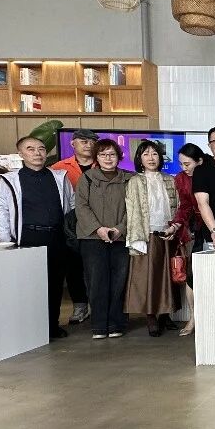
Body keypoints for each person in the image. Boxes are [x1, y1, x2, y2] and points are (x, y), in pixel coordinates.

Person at [0, 136, 75, 338]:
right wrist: (5, 242)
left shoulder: (60, 177)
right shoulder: (10, 180)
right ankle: (31, 328)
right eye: (30, 149)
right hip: (28, 237)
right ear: (21, 154)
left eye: (41, 149)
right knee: (30, 285)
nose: (37, 153)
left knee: (55, 284)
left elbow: (71, 205)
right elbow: (2, 211)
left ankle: (52, 325)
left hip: (56, 236)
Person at [125, 140, 183, 337]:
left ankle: (165, 314)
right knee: (148, 277)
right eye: (146, 154)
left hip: (168, 234)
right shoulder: (135, 181)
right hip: (146, 235)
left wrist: (175, 229)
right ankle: (150, 316)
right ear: (139, 159)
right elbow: (132, 210)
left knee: (168, 276)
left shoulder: (170, 179)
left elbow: (179, 206)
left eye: (155, 154)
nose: (151, 158)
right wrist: (136, 238)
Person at [76, 139, 132, 339]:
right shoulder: (87, 178)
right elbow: (81, 206)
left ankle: (116, 324)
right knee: (97, 281)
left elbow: (134, 208)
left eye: (112, 154)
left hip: (120, 238)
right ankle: (99, 326)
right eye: (103, 154)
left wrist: (120, 229)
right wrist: (98, 229)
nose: (108, 158)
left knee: (119, 281)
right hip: (92, 238)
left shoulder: (129, 179)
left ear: (119, 157)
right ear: (96, 158)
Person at [51, 128, 97, 325]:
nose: (88, 145)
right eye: (83, 141)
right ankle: (80, 305)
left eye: (92, 141)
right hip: (72, 224)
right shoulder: (59, 168)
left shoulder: (103, 163)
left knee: (96, 267)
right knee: (73, 266)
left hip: (99, 223)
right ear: (73, 143)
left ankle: (98, 305)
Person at [172, 143, 205, 336]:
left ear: (199, 161)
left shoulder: (210, 174)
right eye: (181, 164)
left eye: (187, 164)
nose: (184, 168)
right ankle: (193, 317)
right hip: (195, 230)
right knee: (191, 275)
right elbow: (184, 206)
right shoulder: (181, 179)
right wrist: (176, 224)